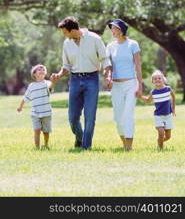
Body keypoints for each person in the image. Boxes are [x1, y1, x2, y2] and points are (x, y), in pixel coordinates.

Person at [50, 16, 111, 150]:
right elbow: (66, 66)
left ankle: (86, 146)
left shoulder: (94, 39)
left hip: (92, 79)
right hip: (75, 80)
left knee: (90, 116)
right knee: (72, 118)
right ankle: (80, 137)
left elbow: (105, 60)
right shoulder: (67, 43)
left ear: (73, 30)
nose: (64, 35)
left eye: (65, 32)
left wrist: (108, 76)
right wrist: (59, 75)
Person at [106, 19, 142, 151]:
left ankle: (129, 146)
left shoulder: (133, 44)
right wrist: (108, 77)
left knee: (128, 114)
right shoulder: (110, 46)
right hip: (116, 86)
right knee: (118, 117)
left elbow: (138, 66)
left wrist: (140, 85)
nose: (112, 31)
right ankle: (124, 141)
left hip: (131, 84)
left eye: (114, 28)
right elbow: (108, 66)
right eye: (112, 29)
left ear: (121, 30)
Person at [17, 64, 55, 150]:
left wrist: (53, 81)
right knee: (36, 131)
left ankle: (46, 145)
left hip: (46, 112)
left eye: (43, 69)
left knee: (46, 132)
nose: (42, 70)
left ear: (45, 73)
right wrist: (20, 107)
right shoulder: (31, 86)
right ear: (34, 74)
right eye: (39, 70)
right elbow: (25, 98)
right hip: (35, 113)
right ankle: (37, 148)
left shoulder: (47, 83)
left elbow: (51, 87)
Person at [139, 70, 176, 150]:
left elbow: (173, 97)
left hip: (168, 115)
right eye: (155, 79)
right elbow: (148, 100)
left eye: (159, 78)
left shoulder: (168, 89)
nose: (157, 80)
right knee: (161, 132)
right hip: (158, 116)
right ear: (152, 81)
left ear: (163, 79)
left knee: (168, 136)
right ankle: (160, 149)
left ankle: (159, 141)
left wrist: (173, 109)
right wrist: (140, 96)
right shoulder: (153, 92)